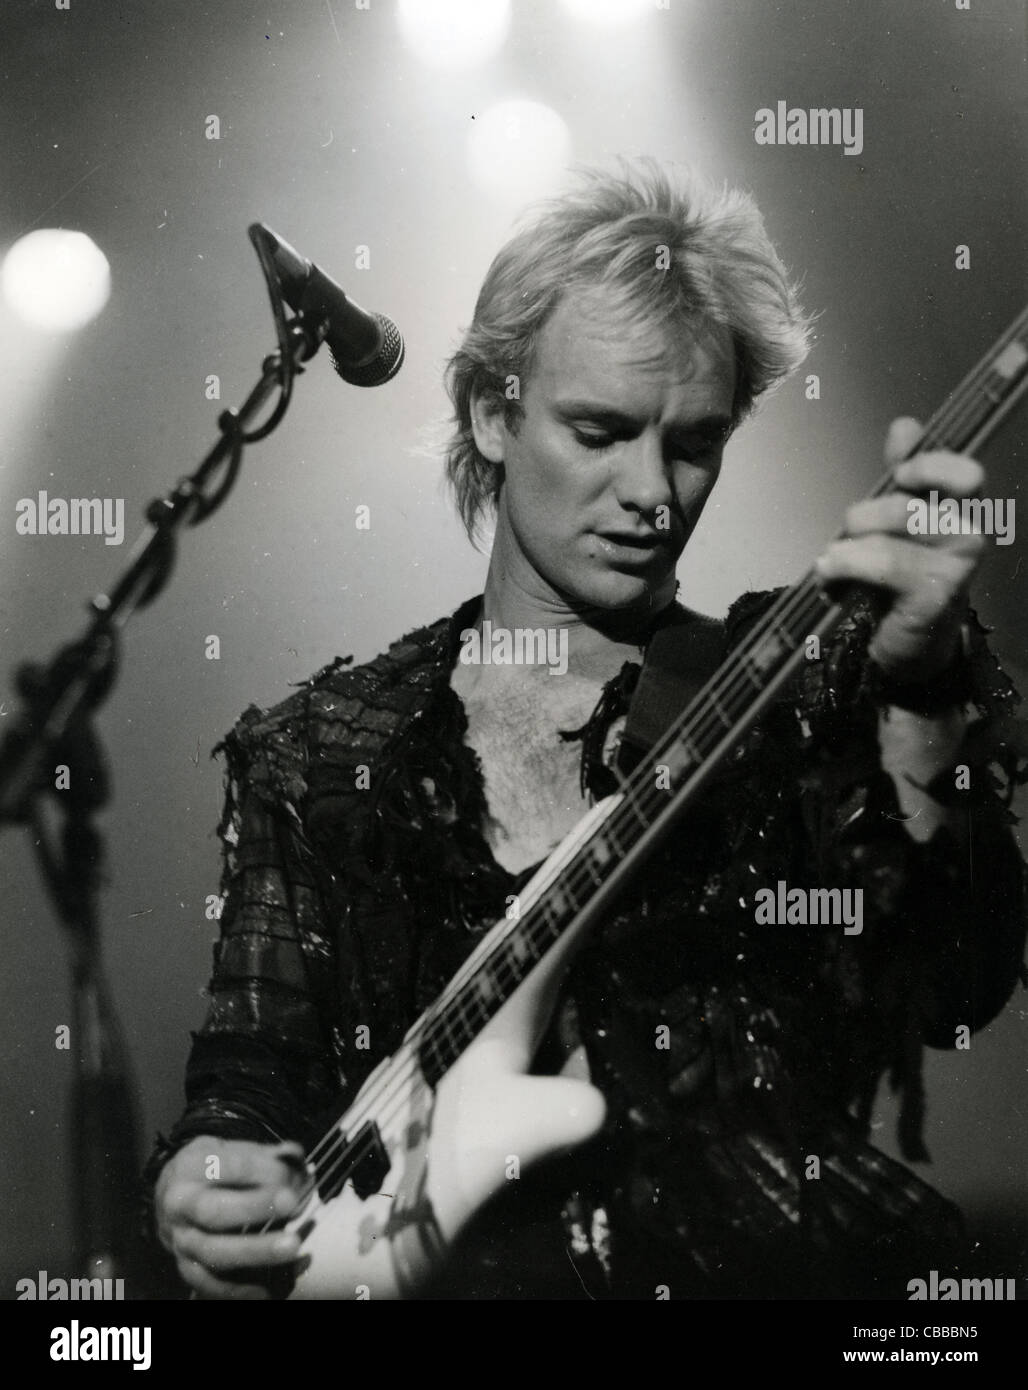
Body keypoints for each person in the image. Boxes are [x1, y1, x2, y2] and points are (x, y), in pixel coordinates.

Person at [148, 160, 1026, 1300]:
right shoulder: (326, 751)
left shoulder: (796, 688)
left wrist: (916, 698)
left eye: (694, 443)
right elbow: (250, 1074)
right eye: (600, 430)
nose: (653, 490)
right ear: (490, 411)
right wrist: (207, 1176)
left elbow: (956, 983)